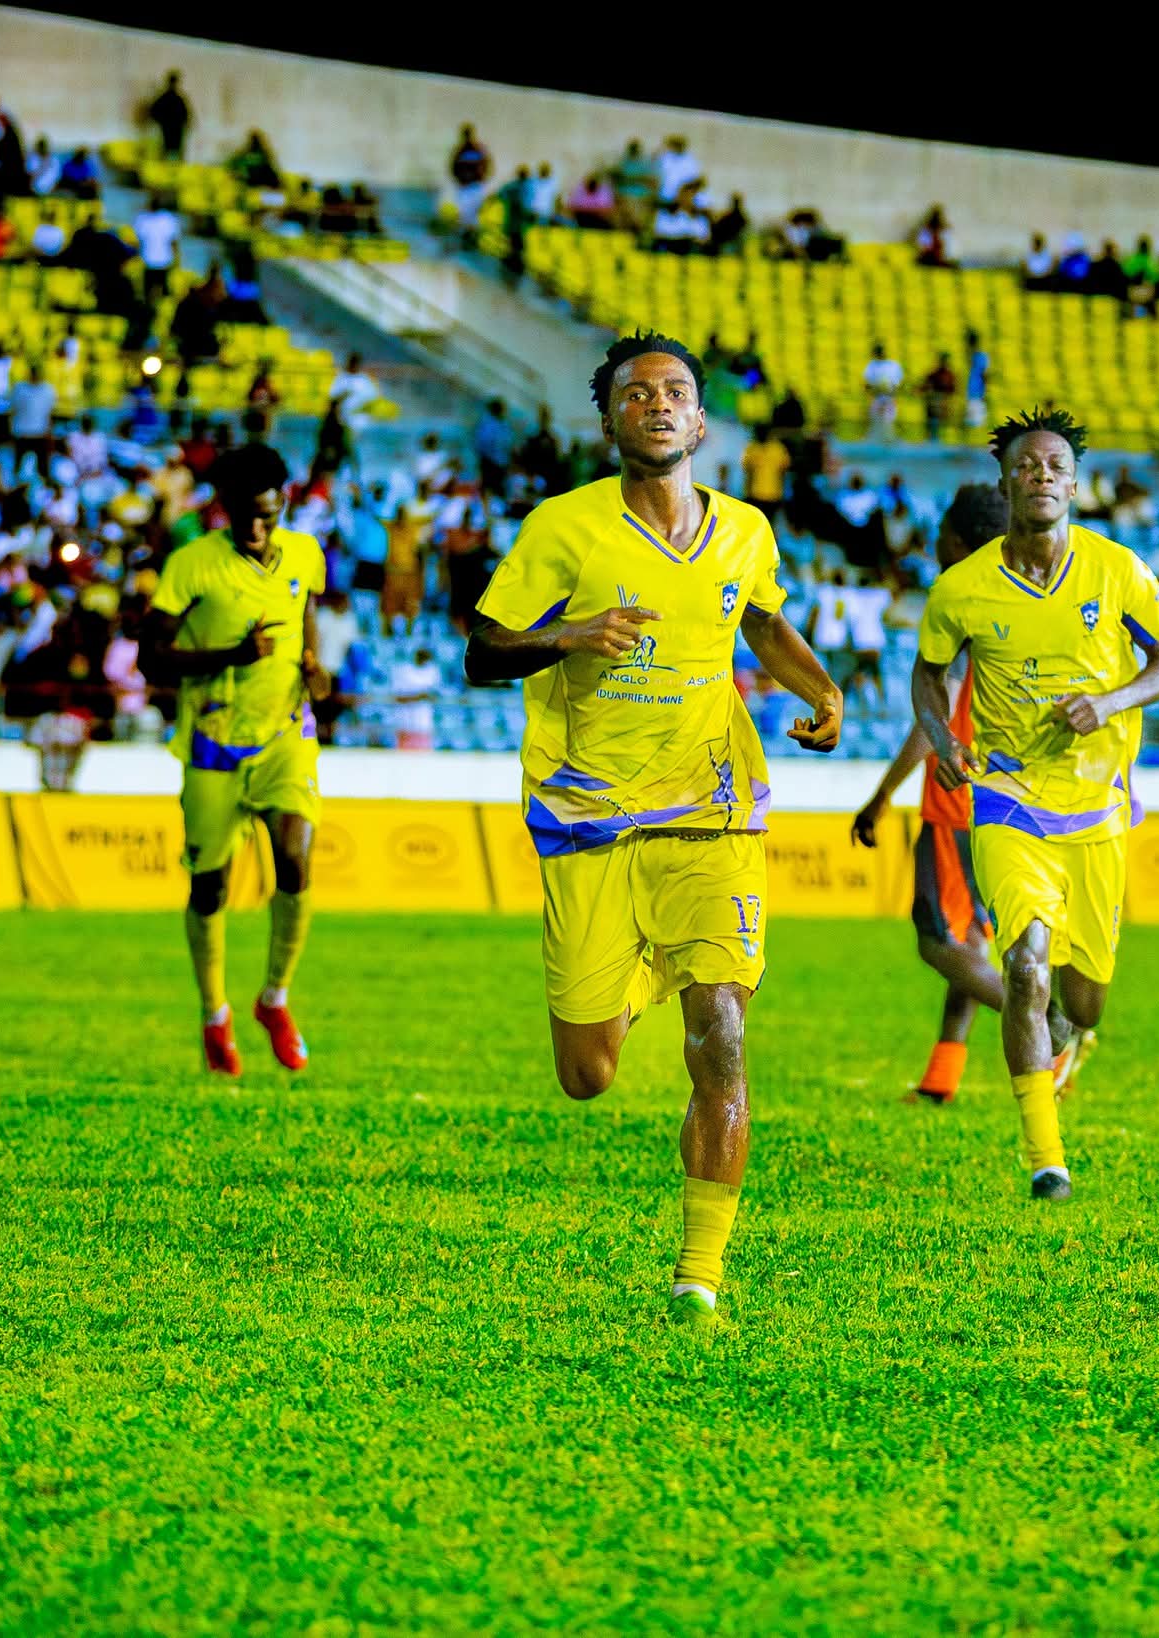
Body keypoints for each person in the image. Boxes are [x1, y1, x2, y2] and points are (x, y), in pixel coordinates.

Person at [461, 331, 843, 1328]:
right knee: (587, 1075)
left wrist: (820, 688)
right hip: (588, 814)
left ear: (702, 421)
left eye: (675, 391)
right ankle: (638, 983)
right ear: (608, 422)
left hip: (711, 808)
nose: (658, 404)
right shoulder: (562, 529)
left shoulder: (745, 531)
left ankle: (697, 1278)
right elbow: (481, 652)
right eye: (636, 393)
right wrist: (568, 636)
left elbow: (759, 620)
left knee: (721, 1029)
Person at [912, 408, 1159, 1203]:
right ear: (1006, 482)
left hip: (1097, 809)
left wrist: (1112, 700)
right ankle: (1046, 1159)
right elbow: (928, 673)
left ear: (1074, 484)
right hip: (1009, 800)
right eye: (1027, 466)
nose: (1041, 476)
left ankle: (1070, 1029)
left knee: (1083, 997)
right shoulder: (961, 589)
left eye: (1056, 467)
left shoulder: (1117, 569)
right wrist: (943, 736)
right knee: (1024, 964)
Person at [850, 483, 1088, 1104]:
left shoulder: (961, 605)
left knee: (939, 942)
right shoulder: (1017, 598)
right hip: (1012, 802)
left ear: (959, 540)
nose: (935, 542)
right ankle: (940, 1080)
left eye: (943, 532)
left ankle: (1054, 1028)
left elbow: (937, 715)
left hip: (959, 803)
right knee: (973, 945)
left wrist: (881, 795)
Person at [141, 443, 329, 1078]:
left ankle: (274, 999)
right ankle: (214, 1013)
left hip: (285, 734)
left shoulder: (304, 553)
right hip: (214, 741)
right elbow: (150, 656)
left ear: (283, 505)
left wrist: (315, 668)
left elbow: (304, 616)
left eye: (266, 515)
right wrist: (231, 656)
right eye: (243, 516)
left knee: (296, 859)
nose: (255, 528)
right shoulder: (192, 565)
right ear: (222, 508)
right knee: (210, 887)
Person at [740, 423, 790, 523]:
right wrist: (747, 492)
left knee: (769, 523)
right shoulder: (752, 448)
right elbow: (748, 471)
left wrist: (782, 493)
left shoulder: (778, 448)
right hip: (755, 495)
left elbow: (783, 472)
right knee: (756, 523)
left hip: (773, 495)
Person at [148, 71, 191, 161]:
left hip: (168, 130)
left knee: (168, 152)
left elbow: (153, 112)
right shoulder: (177, 98)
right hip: (174, 130)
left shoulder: (165, 98)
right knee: (173, 152)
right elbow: (186, 115)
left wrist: (162, 122)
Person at [863, 343, 903, 438]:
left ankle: (889, 441)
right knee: (876, 423)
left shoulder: (893, 365)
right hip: (876, 398)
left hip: (890, 398)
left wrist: (890, 393)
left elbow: (897, 384)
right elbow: (867, 384)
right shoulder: (871, 365)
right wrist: (875, 392)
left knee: (888, 424)